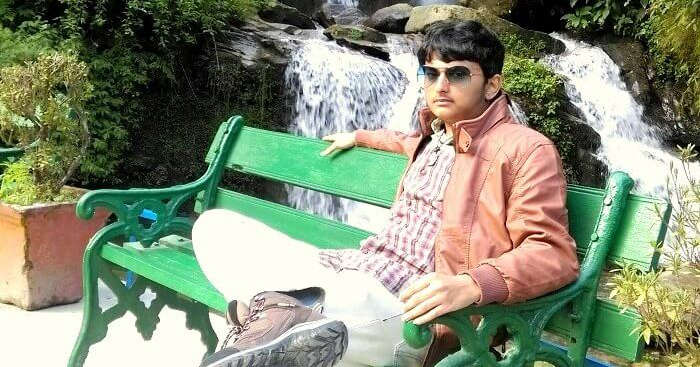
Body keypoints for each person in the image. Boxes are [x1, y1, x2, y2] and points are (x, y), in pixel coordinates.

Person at [192, 20, 580, 367]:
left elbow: (554, 254)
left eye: (458, 74)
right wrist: (359, 136)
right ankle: (280, 320)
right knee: (214, 228)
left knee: (307, 297)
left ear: (492, 84)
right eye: (431, 74)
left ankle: (262, 321)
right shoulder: (433, 138)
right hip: (359, 267)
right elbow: (403, 140)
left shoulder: (527, 149)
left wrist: (472, 283)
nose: (440, 86)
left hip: (421, 312)